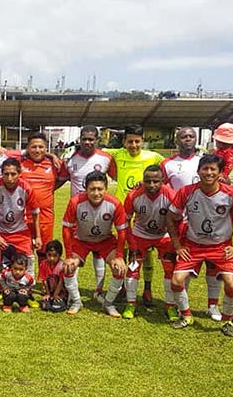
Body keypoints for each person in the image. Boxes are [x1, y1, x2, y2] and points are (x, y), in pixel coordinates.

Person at [166, 154, 233, 337]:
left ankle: (227, 320)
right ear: (198, 171)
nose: (209, 172)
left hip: (221, 247)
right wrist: (177, 245)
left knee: (232, 285)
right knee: (176, 281)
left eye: (213, 169)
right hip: (193, 245)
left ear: (220, 173)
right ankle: (186, 316)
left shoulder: (232, 194)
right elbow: (170, 217)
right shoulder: (186, 192)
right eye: (205, 168)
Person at [162, 126, 222, 320]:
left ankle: (212, 306)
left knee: (212, 266)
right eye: (183, 136)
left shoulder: (205, 162)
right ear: (176, 140)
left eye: (191, 136)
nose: (187, 139)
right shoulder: (167, 164)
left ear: (196, 139)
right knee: (183, 266)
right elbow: (160, 188)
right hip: (182, 223)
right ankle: (181, 306)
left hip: (210, 221)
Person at [105, 125, 164, 307]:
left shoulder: (153, 157)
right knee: (123, 248)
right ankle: (124, 286)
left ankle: (147, 288)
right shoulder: (117, 154)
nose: (133, 145)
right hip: (122, 209)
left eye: (137, 141)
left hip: (143, 209)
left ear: (143, 141)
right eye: (130, 141)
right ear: (124, 142)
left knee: (144, 251)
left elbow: (168, 172)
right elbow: (97, 151)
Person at [58, 125, 116, 300]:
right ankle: (71, 294)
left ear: (97, 140)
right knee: (75, 252)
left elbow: (116, 178)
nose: (87, 142)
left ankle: (98, 291)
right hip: (77, 213)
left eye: (91, 139)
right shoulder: (69, 158)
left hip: (99, 212)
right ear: (79, 139)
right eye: (84, 138)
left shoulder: (106, 158)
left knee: (99, 252)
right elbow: (60, 179)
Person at [61, 170, 128, 316]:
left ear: (106, 188)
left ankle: (108, 303)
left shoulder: (115, 204)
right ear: (86, 189)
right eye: (92, 189)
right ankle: (77, 301)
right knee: (68, 267)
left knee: (119, 268)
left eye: (100, 189)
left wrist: (119, 255)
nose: (96, 193)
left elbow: (122, 231)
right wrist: (68, 255)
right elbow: (66, 228)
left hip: (105, 241)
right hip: (81, 241)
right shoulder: (75, 202)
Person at [123, 164, 177, 320]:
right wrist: (132, 244)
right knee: (133, 268)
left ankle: (170, 306)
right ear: (143, 180)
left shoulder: (171, 195)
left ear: (163, 181)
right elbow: (125, 222)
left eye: (156, 181)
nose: (151, 185)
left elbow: (179, 220)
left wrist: (175, 242)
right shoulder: (133, 196)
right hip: (140, 235)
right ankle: (131, 304)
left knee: (169, 269)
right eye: (148, 181)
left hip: (164, 236)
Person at [0, 158, 42, 275]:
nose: (9, 178)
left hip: (20, 230)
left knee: (29, 257)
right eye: (6, 174)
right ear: (1, 174)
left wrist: (38, 236)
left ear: (20, 174)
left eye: (13, 174)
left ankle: (27, 285)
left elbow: (35, 213)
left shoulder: (26, 188)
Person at [20, 132, 63, 262]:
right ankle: (24, 280)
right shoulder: (19, 163)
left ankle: (45, 280)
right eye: (33, 147)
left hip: (45, 217)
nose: (37, 150)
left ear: (46, 148)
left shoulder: (54, 164)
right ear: (27, 148)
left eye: (41, 147)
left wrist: (50, 189)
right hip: (24, 216)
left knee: (44, 252)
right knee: (24, 251)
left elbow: (65, 177)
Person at [38, 240, 67, 312]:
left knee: (57, 307)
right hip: (50, 291)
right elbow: (44, 280)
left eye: (55, 255)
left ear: (59, 255)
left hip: (61, 292)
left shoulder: (62, 265)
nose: (51, 258)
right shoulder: (43, 264)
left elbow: (61, 282)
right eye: (49, 255)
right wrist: (48, 294)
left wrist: (55, 295)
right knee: (45, 306)